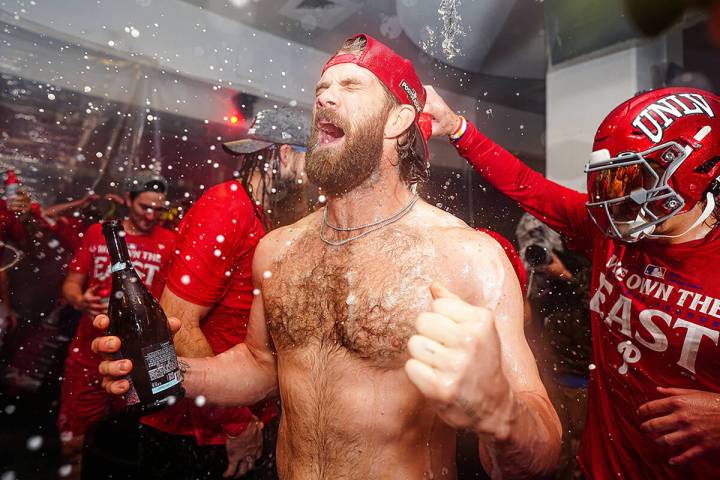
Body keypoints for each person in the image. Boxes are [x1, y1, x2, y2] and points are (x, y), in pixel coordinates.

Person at [93, 33, 561, 479]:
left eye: (350, 85)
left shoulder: (467, 256)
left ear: (398, 120)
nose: (324, 97)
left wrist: (501, 413)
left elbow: (541, 451)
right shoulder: (280, 248)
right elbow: (262, 365)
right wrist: (172, 373)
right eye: (322, 88)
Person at [424, 85, 720, 478]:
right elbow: (528, 186)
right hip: (601, 467)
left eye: (632, 181)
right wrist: (457, 127)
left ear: (693, 173)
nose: (616, 200)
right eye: (612, 182)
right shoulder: (610, 233)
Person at [137, 106, 308, 480]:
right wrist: (234, 423)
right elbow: (176, 324)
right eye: (310, 158)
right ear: (285, 154)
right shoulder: (227, 206)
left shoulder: (270, 216)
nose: (316, 176)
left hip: (241, 414)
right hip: (196, 428)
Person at [57, 170, 175, 480]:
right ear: (128, 201)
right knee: (74, 441)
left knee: (124, 447)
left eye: (158, 209)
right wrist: (80, 298)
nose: (151, 215)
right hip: (88, 354)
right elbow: (70, 284)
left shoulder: (170, 242)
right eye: (144, 207)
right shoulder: (99, 233)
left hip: (136, 363)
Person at [516, 212, 592, 480]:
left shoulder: (590, 260)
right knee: (553, 446)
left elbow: (593, 304)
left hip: (583, 378)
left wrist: (567, 275)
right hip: (550, 371)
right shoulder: (541, 277)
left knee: (580, 451)